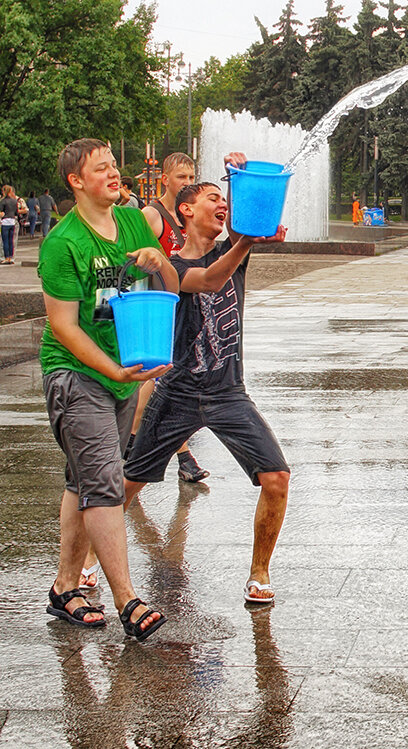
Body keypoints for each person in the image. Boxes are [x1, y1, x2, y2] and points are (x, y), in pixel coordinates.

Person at [124, 154, 290, 605]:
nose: (221, 205)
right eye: (212, 199)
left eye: (224, 200)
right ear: (186, 210)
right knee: (127, 483)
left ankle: (259, 573)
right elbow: (211, 281)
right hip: (177, 392)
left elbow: (252, 217)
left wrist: (235, 176)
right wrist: (246, 244)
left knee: (276, 477)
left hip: (227, 391)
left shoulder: (234, 245)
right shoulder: (167, 265)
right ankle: (83, 562)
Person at [38, 137, 177, 640]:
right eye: (102, 169)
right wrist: (114, 373)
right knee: (104, 484)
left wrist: (159, 263)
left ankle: (64, 587)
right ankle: (128, 600)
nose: (115, 174)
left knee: (83, 481)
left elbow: (172, 293)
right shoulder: (63, 243)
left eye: (115, 165)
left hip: (123, 373)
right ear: (76, 181)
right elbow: (64, 328)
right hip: (77, 374)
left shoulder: (136, 223)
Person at [138, 152, 208, 484]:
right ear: (164, 179)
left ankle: (145, 450)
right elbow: (130, 256)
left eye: (192, 176)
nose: (188, 183)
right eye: (181, 177)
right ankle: (179, 457)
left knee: (165, 383)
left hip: (183, 313)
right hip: (160, 311)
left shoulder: (187, 215)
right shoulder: (153, 216)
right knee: (156, 383)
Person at [0, 185, 19, 264]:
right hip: (12, 221)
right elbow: (16, 212)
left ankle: (6, 257)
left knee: (5, 241)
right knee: (11, 240)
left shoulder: (3, 201)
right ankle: (11, 258)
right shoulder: (15, 201)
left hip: (5, 221)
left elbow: (1, 211)